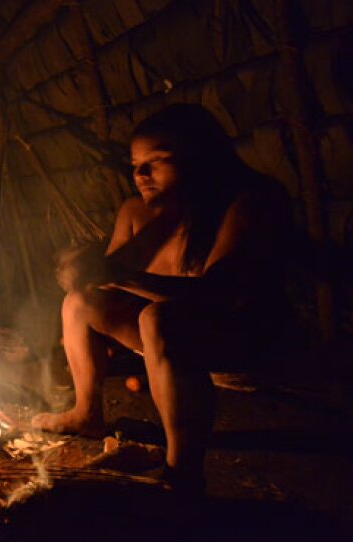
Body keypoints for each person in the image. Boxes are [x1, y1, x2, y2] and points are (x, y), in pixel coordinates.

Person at [31, 104, 292, 491]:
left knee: (159, 319)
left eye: (157, 161)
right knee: (80, 303)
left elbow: (216, 293)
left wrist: (120, 274)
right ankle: (86, 413)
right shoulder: (139, 212)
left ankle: (181, 473)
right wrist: (84, 271)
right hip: (166, 332)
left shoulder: (246, 203)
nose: (140, 174)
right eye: (136, 163)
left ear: (199, 159)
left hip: (240, 334)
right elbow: (109, 282)